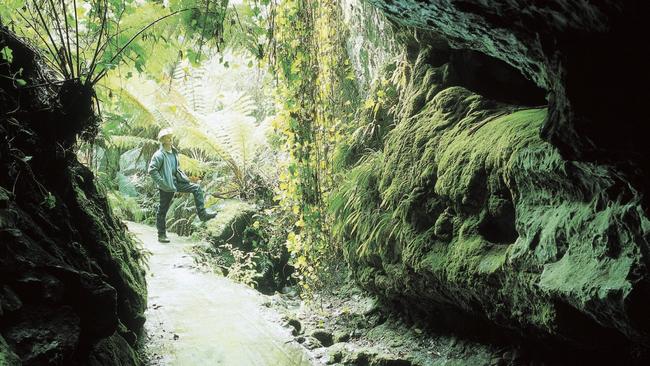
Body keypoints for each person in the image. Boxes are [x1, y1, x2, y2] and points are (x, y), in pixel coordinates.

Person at [148, 127, 216, 243]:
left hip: (177, 182)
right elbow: (152, 170)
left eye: (171, 137)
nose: (170, 140)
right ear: (163, 141)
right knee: (163, 210)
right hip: (167, 186)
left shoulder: (174, 152)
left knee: (196, 188)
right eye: (168, 138)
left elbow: (176, 168)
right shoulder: (159, 155)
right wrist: (162, 183)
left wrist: (183, 178)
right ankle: (161, 234)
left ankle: (203, 214)